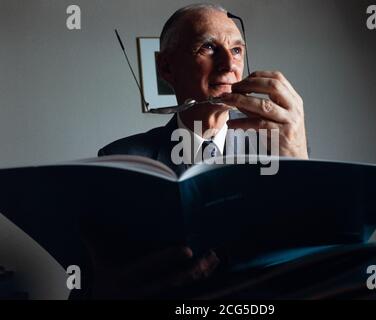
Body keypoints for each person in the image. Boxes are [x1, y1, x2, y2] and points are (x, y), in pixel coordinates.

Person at [91, 3, 309, 298]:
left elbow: (313, 262)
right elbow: (92, 283)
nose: (229, 65)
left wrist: (302, 169)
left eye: (236, 50)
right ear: (167, 68)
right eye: (208, 47)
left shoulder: (280, 149)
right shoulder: (118, 159)